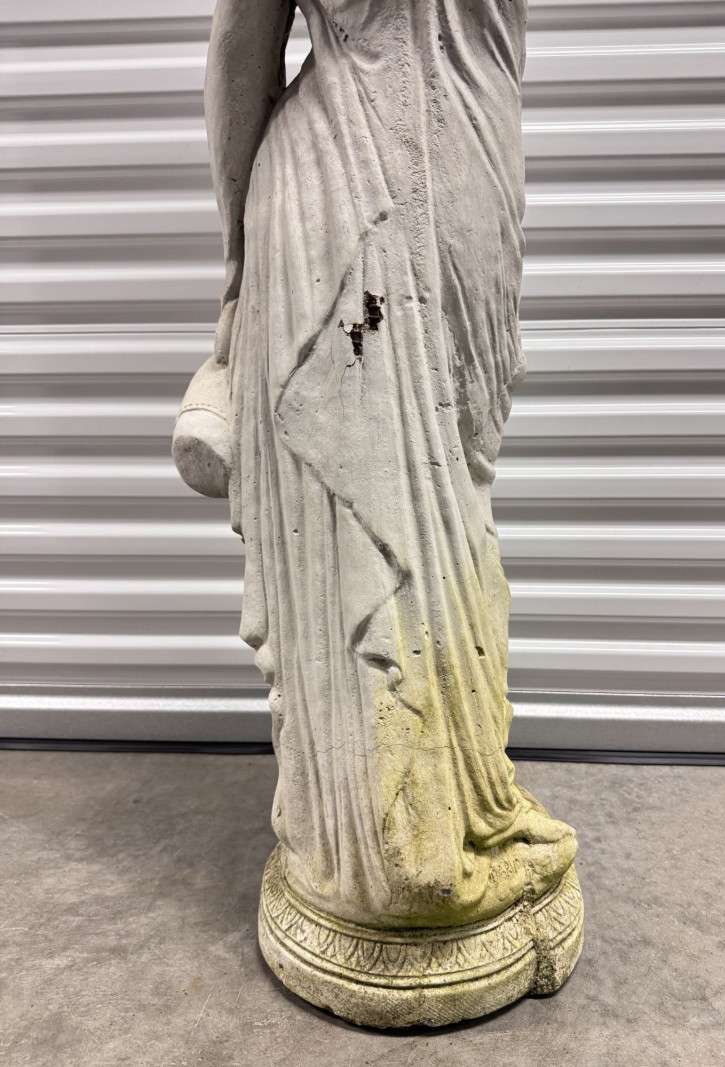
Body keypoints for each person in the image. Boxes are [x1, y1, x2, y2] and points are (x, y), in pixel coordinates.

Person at [175, 0, 577, 929]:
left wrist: (236, 275)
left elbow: (239, 51)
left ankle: (423, 827)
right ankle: (401, 855)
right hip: (364, 211)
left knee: (441, 523)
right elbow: (243, 45)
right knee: (386, 532)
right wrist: (242, 276)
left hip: (438, 204)